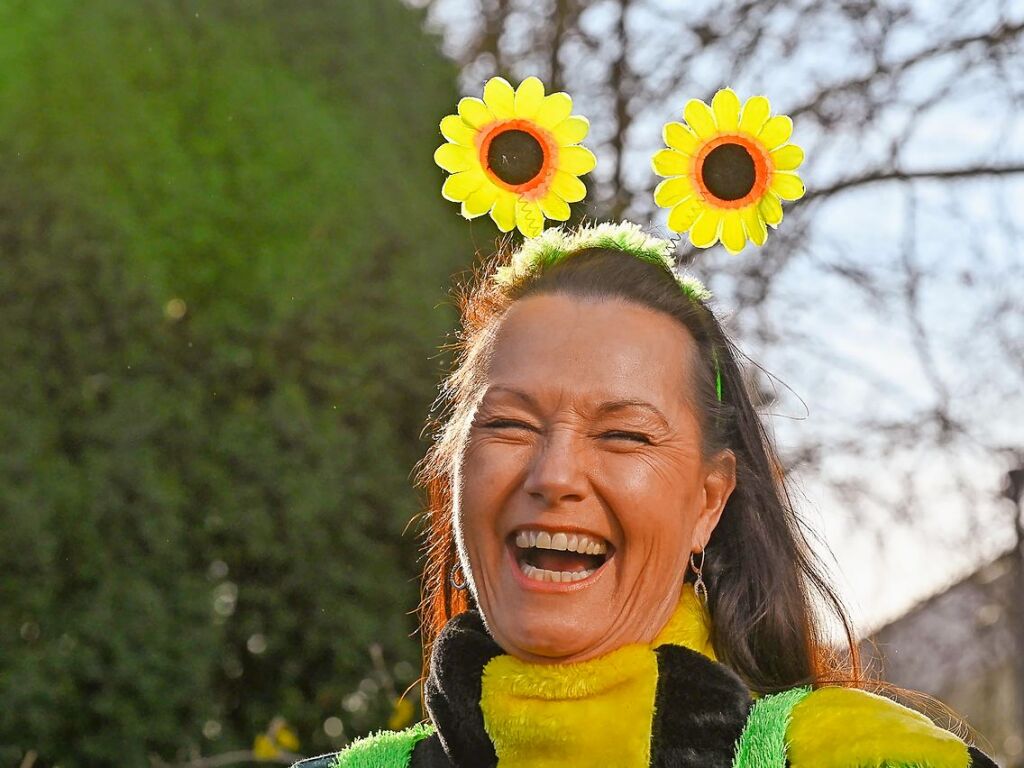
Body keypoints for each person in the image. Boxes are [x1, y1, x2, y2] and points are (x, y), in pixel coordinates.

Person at [291, 79, 1001, 767]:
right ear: (454, 472)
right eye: (509, 425)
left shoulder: (860, 758)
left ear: (708, 501)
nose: (555, 475)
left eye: (624, 435)